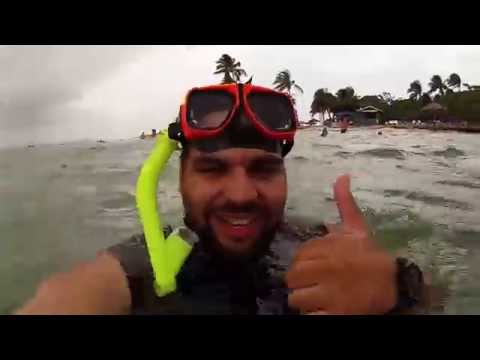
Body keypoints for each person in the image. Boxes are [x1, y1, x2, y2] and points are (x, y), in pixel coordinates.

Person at [16, 83, 426, 315]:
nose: (241, 194)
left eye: (263, 169)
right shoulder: (143, 264)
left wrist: (396, 291)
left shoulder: (318, 244)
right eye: (212, 169)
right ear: (179, 178)